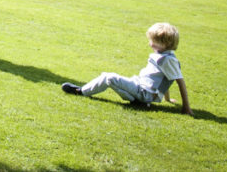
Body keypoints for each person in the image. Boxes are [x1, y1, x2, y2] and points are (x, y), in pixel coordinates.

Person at [61, 22, 193, 116]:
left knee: (109, 77)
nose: (150, 43)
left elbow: (179, 81)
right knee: (111, 81)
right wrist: (167, 99)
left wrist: (186, 107)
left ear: (165, 43)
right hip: (141, 89)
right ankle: (139, 103)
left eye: (152, 41)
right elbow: (164, 79)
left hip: (145, 92)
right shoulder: (164, 56)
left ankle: (81, 91)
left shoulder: (168, 60)